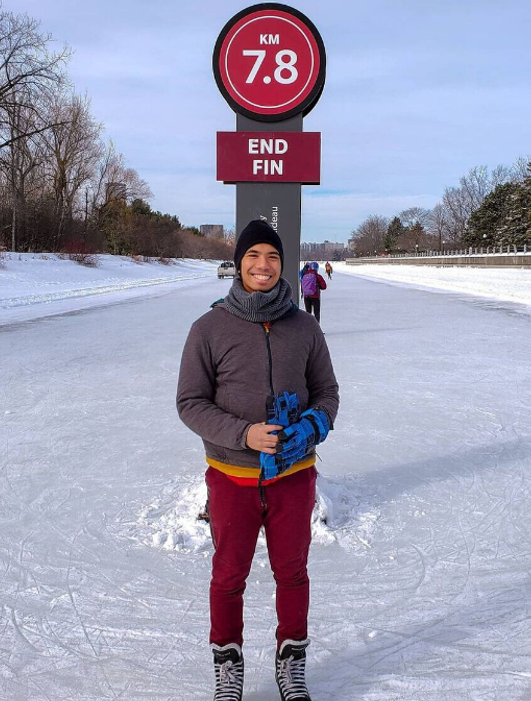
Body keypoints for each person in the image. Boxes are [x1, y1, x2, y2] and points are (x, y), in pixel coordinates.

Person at [177, 220, 339, 701]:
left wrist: (313, 426)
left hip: (294, 478)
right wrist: (243, 433)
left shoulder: (304, 327)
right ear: (239, 263)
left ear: (282, 264)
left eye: (271, 256)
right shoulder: (208, 328)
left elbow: (328, 392)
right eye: (253, 256)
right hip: (232, 480)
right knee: (229, 574)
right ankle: (228, 663)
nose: (262, 265)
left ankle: (291, 659)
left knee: (293, 572)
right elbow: (190, 402)